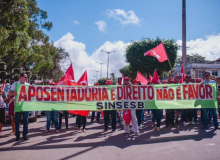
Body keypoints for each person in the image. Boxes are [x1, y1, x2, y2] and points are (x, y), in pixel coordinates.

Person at [8, 73, 30, 141]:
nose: (26, 78)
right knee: (17, 121)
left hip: (26, 105)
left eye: (26, 77)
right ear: (21, 77)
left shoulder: (28, 85)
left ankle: (25, 135)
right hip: (18, 106)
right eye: (25, 77)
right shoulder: (15, 84)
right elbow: (9, 93)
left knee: (25, 121)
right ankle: (17, 135)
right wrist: (13, 93)